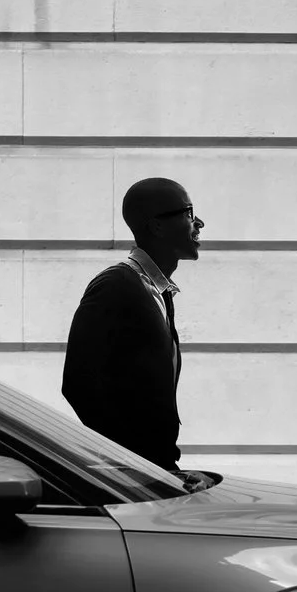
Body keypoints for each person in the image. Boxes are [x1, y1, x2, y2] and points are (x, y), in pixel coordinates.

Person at [61, 176, 203, 475]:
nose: (199, 223)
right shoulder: (117, 286)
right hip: (137, 474)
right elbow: (78, 384)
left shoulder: (155, 289)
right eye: (188, 213)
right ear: (157, 226)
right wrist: (131, 464)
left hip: (157, 470)